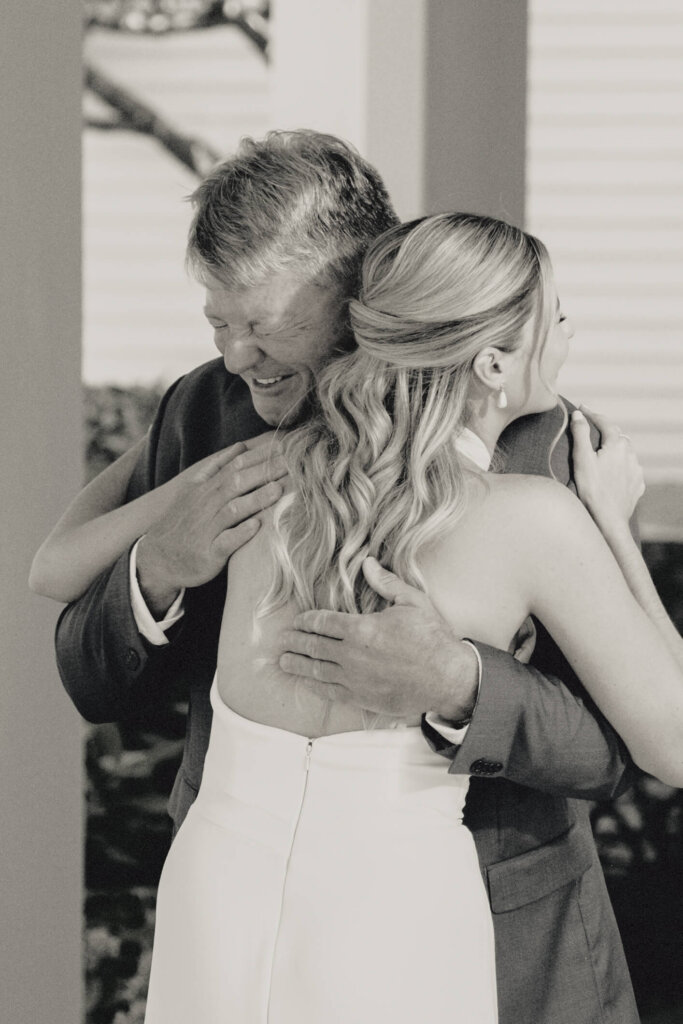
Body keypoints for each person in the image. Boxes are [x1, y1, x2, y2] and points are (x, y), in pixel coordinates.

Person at [34, 132, 659, 1023]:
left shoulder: (546, 449)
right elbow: (89, 674)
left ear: (359, 288)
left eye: (264, 321)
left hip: (498, 919)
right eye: (219, 321)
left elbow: (612, 746)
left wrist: (460, 684)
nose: (239, 356)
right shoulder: (205, 410)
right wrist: (160, 569)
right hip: (240, 902)